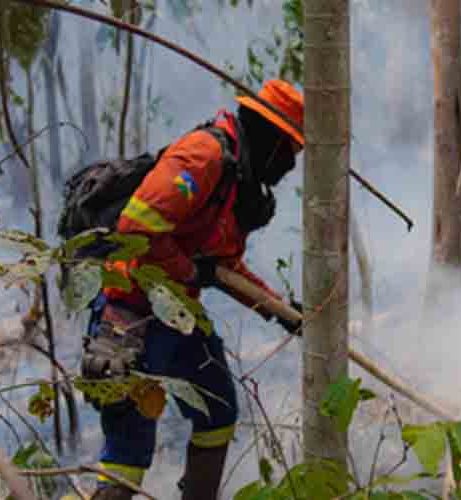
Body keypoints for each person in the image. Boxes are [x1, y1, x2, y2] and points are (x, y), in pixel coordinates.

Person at [86, 80, 304, 500]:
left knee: (217, 409)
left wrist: (277, 310)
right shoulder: (203, 156)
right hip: (132, 308)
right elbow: (135, 226)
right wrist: (187, 268)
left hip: (178, 310)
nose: (290, 167)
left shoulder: (237, 174)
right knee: (128, 451)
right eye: (290, 152)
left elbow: (222, 266)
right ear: (272, 138)